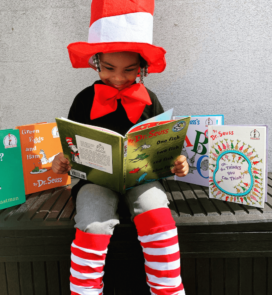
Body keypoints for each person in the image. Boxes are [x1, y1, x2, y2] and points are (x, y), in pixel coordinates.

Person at [52, 1, 189, 294]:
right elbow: (69, 143)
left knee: (158, 214)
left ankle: (167, 288)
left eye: (129, 70)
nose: (117, 78)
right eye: (109, 68)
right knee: (92, 224)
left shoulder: (149, 99)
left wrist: (178, 160)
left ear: (143, 68)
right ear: (96, 62)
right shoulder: (83, 99)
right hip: (94, 180)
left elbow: (168, 141)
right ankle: (85, 290)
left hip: (142, 178)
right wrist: (61, 159)